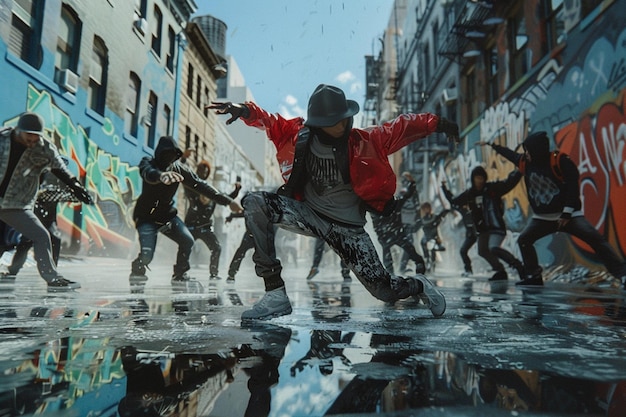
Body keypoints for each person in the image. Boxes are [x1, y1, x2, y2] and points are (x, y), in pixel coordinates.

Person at [208, 83, 459, 320]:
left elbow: (402, 127)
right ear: (321, 124)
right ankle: (275, 293)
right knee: (254, 202)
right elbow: (270, 121)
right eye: (336, 121)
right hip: (308, 215)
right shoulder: (298, 137)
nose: (344, 124)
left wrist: (440, 124)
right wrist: (244, 110)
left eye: (344, 118)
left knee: (385, 291)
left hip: (347, 230)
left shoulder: (365, 141)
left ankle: (418, 284)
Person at [481, 132, 626, 286]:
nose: (526, 154)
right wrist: (492, 145)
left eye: (528, 150)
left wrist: (567, 212)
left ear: (537, 150)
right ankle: (534, 276)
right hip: (542, 218)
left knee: (596, 240)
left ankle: (622, 274)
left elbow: (572, 186)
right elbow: (511, 155)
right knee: (524, 240)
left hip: (569, 216)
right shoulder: (525, 162)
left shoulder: (560, 160)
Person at [129, 136, 243, 284]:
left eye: (172, 156)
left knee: (187, 240)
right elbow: (147, 172)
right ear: (160, 153)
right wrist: (161, 176)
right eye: (166, 155)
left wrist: (228, 201)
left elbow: (200, 185)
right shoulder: (148, 162)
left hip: (166, 216)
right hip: (146, 216)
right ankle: (138, 267)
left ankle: (180, 273)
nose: (169, 160)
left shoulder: (178, 169)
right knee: (147, 256)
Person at [0, 112, 93, 290]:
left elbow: (60, 169)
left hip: (16, 204)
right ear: (18, 130)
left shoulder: (44, 148)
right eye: (29, 136)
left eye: (36, 137)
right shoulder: (2, 138)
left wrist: (77, 188)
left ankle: (52, 278)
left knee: (41, 235)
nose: (32, 140)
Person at [443, 165, 525, 282]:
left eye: (481, 178)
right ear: (473, 179)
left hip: (495, 226)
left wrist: (519, 171)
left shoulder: (492, 189)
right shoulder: (470, 194)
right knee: (482, 251)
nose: (479, 181)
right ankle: (500, 271)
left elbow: (508, 184)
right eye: (477, 178)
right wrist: (444, 188)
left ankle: (518, 265)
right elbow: (454, 201)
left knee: (493, 248)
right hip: (483, 230)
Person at [3, 164, 79, 278]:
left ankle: (52, 269)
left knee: (52, 239)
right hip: (36, 217)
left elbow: (70, 196)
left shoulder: (57, 181)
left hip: (47, 219)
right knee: (26, 242)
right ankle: (14, 269)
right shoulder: (37, 175)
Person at [184, 160, 241, 280]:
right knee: (185, 246)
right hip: (191, 225)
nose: (203, 173)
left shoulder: (211, 190)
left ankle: (213, 273)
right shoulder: (191, 187)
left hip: (205, 227)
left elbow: (225, 198)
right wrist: (184, 160)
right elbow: (184, 177)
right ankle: (180, 271)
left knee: (216, 248)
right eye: (201, 170)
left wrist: (236, 191)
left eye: (205, 171)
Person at [371, 175, 426, 276]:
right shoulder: (385, 206)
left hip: (393, 234)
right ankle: (392, 276)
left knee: (409, 254)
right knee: (409, 254)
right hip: (393, 235)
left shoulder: (380, 206)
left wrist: (412, 184)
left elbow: (408, 194)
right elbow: (408, 194)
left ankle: (393, 275)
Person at [442, 181, 478, 276]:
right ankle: (468, 270)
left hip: (480, 231)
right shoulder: (462, 209)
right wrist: (444, 188)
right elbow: (453, 200)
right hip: (471, 234)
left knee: (485, 250)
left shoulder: (476, 207)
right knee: (463, 251)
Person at [398, 171, 422, 273]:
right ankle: (402, 267)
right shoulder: (404, 192)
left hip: (409, 221)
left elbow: (417, 205)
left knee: (408, 243)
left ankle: (402, 266)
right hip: (405, 221)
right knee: (408, 243)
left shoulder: (412, 193)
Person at [418, 202, 450, 272]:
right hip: (426, 237)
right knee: (423, 243)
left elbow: (441, 215)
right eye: (425, 208)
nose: (426, 210)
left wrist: (446, 210)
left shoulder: (435, 217)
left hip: (434, 237)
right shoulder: (422, 219)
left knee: (433, 249)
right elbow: (416, 225)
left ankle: (433, 264)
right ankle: (427, 261)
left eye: (427, 208)